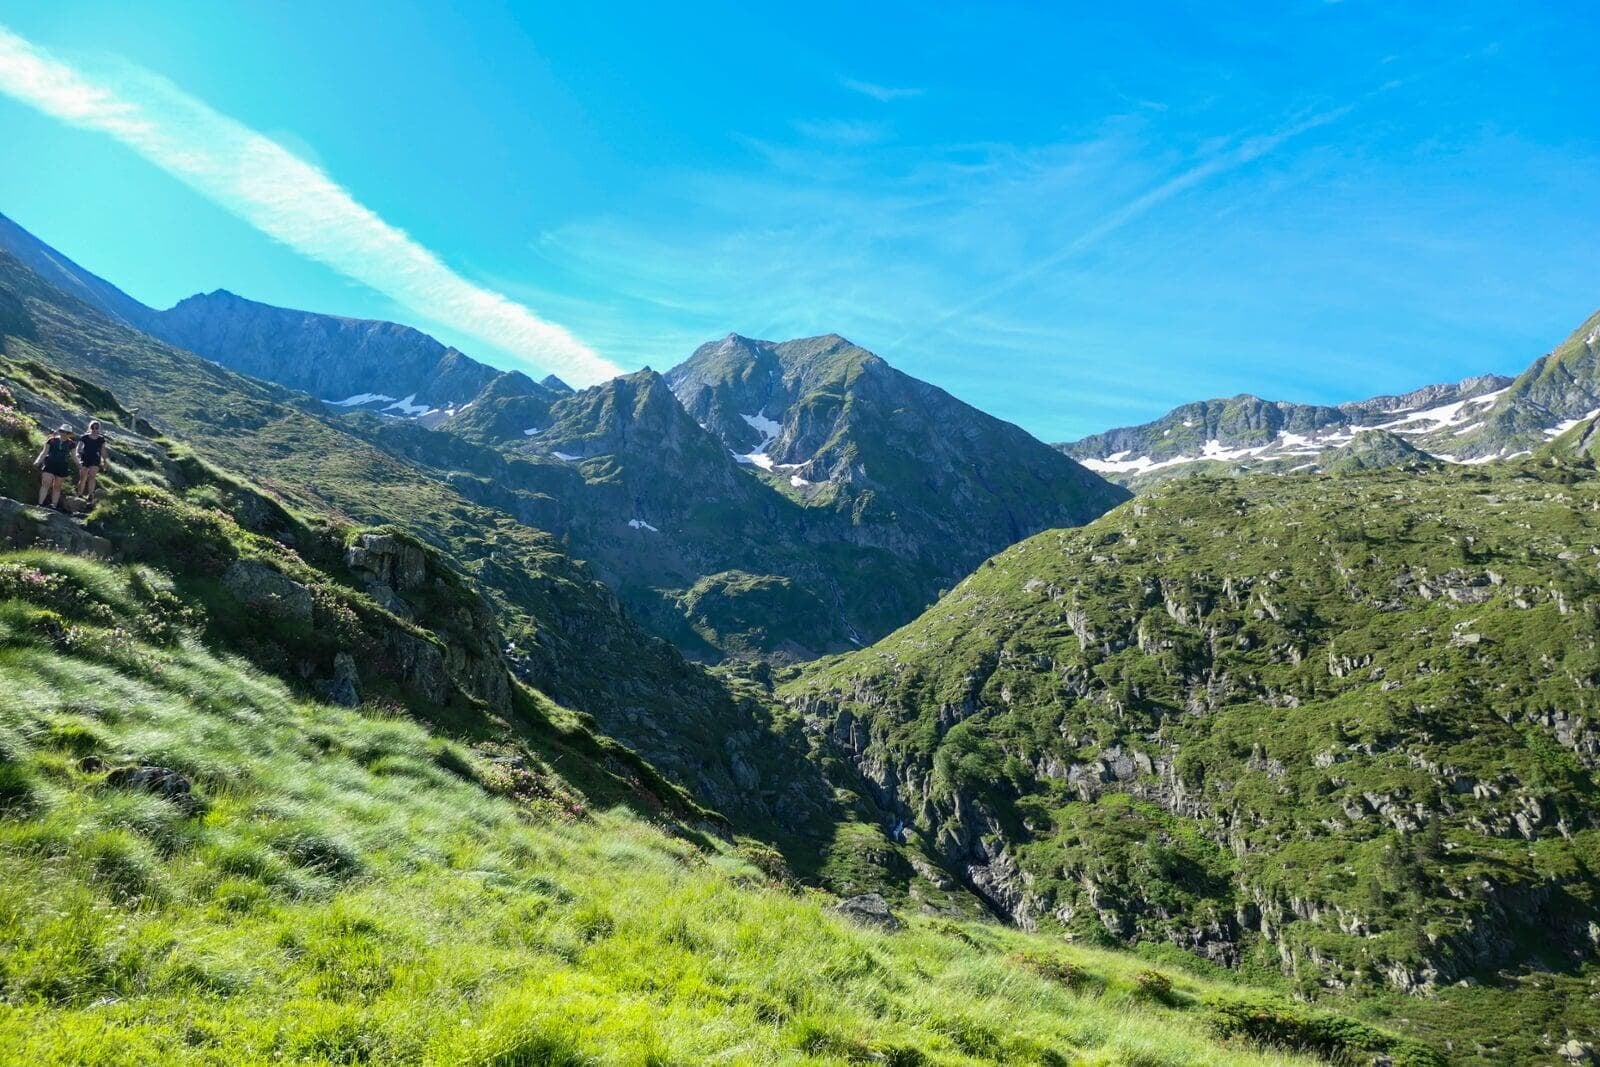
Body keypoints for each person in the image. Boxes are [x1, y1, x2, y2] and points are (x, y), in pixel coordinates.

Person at [35, 423, 76, 511]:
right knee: (46, 483)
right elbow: (44, 452)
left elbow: (74, 456)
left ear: (69, 434)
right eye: (63, 431)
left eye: (67, 432)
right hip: (49, 463)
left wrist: (79, 464)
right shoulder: (51, 440)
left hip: (62, 466)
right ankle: (40, 504)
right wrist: (38, 461)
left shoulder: (71, 444)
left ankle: (53, 505)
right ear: (60, 431)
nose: (64, 434)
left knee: (57, 487)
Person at [76, 420, 109, 504]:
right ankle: (79, 494)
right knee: (83, 477)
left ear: (99, 429)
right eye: (92, 427)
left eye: (96, 428)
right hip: (84, 458)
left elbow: (103, 451)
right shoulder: (84, 437)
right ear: (90, 428)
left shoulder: (101, 439)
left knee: (92, 477)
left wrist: (105, 461)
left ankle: (90, 495)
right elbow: (78, 448)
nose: (94, 429)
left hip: (95, 459)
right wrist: (78, 455)